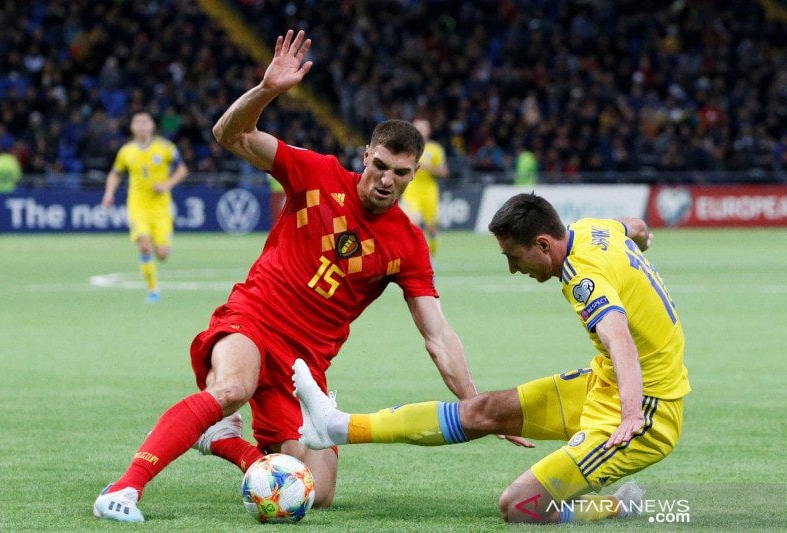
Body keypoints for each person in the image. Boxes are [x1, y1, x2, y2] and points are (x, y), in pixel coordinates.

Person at [93, 30, 477, 523]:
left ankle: (225, 441)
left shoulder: (408, 245)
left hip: (305, 365)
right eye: (380, 165)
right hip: (253, 318)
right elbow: (228, 135)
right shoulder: (316, 173)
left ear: (414, 172)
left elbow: (437, 334)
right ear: (365, 155)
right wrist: (266, 90)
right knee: (232, 388)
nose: (386, 180)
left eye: (400, 173)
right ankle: (124, 489)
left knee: (316, 492)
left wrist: (475, 404)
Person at [294, 192, 690, 525]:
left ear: (543, 244)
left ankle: (618, 507)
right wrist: (642, 241)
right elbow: (634, 226)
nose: (513, 269)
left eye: (514, 257)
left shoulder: (583, 277)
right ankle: (336, 427)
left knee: (519, 506)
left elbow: (619, 339)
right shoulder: (590, 230)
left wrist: (631, 415)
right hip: (604, 383)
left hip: (646, 412)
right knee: (482, 410)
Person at [101, 111, 189, 303]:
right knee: (144, 244)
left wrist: (167, 185)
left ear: (152, 126)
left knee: (162, 255)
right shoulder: (126, 152)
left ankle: (159, 250)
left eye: (145, 122)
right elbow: (115, 174)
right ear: (132, 127)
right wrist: (108, 194)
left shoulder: (165, 148)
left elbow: (182, 169)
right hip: (138, 205)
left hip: (161, 207)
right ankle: (153, 290)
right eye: (137, 122)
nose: (141, 126)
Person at [400, 118, 449, 257]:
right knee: (412, 222)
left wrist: (427, 167)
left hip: (429, 191)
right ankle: (416, 256)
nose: (420, 131)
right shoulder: (405, 148)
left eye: (423, 128)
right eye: (418, 128)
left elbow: (444, 172)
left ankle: (432, 250)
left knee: (432, 227)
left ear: (429, 131)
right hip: (411, 190)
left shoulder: (435, 149)